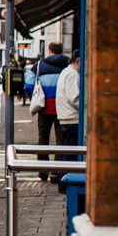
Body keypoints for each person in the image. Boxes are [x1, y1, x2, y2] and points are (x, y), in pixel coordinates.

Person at [30, 42, 70, 181]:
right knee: (61, 140)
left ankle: (43, 171)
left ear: (50, 50)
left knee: (43, 138)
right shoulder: (67, 65)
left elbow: (29, 85)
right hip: (62, 108)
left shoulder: (39, 66)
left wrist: (35, 97)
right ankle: (56, 172)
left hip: (44, 107)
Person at [56, 52, 81, 160]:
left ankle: (60, 174)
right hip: (72, 118)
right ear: (78, 61)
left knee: (65, 152)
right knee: (70, 155)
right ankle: (65, 175)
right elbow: (74, 98)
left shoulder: (66, 72)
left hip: (66, 117)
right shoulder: (73, 74)